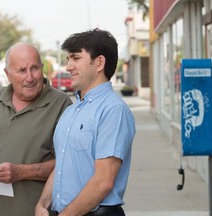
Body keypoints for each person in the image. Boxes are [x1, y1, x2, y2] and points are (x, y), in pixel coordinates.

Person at [0, 42, 73, 216]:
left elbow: (69, 165)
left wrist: (21, 172)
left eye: (34, 68)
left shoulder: (61, 104)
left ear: (42, 68)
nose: (30, 77)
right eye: (21, 70)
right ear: (7, 74)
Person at [35, 28, 136, 216]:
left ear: (99, 63)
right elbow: (61, 166)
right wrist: (42, 204)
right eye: (68, 59)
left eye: (76, 58)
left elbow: (103, 182)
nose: (68, 67)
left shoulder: (113, 110)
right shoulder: (71, 111)